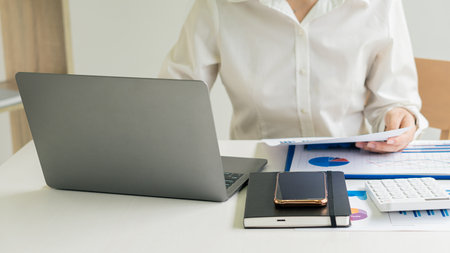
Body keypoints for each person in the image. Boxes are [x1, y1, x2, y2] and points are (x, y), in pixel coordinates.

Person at [159, 0, 428, 153]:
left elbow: (394, 103)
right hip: (255, 169)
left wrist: (400, 120)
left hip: (350, 167)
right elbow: (171, 100)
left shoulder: (378, 5)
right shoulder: (220, 5)